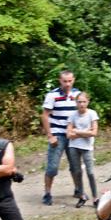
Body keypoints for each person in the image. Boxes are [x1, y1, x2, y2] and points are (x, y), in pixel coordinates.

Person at [40, 70, 81, 205]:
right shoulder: (52, 95)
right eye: (65, 81)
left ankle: (78, 190)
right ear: (60, 81)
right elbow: (45, 115)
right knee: (52, 166)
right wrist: (50, 135)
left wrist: (80, 132)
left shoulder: (77, 94)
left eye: (70, 81)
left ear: (73, 80)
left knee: (75, 165)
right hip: (58, 134)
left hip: (73, 134)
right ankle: (47, 193)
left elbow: (81, 113)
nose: (67, 84)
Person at [66, 92, 99, 208]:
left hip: (87, 147)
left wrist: (77, 131)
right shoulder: (72, 115)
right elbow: (68, 134)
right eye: (79, 102)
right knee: (77, 172)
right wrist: (86, 132)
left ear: (88, 102)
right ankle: (81, 196)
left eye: (84, 102)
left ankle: (95, 198)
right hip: (74, 147)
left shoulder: (92, 114)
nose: (81, 104)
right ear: (76, 103)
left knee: (90, 173)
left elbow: (94, 133)